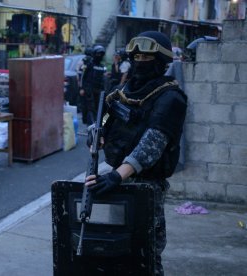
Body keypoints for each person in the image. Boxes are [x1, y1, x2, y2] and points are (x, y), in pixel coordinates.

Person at [85, 31, 188, 275]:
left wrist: (116, 176)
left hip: (146, 186)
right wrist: (96, 134)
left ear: (161, 62)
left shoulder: (170, 97)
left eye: (147, 57)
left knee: (146, 252)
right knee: (117, 245)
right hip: (117, 178)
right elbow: (106, 119)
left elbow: (152, 144)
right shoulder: (122, 92)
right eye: (137, 56)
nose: (141, 62)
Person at [79, 45, 107, 125]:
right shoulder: (89, 64)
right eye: (98, 54)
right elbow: (82, 76)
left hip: (99, 92)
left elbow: (104, 80)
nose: (100, 56)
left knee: (99, 109)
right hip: (89, 90)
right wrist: (82, 88)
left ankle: (98, 125)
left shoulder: (102, 67)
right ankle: (90, 125)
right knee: (89, 108)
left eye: (101, 54)